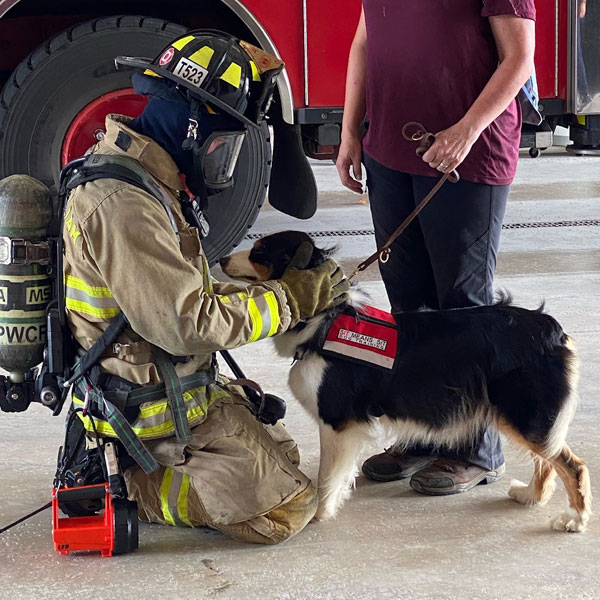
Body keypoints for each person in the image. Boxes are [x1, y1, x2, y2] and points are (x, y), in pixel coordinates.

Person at [61, 30, 348, 544]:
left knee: (285, 455)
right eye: (226, 137)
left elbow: (197, 293)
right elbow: (188, 322)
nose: (226, 154)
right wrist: (290, 300)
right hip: (148, 413)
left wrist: (277, 290)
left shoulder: (151, 181)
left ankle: (188, 460)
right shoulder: (125, 206)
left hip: (173, 387)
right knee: (285, 510)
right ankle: (134, 480)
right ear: (192, 122)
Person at [336, 2, 536, 495]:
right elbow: (365, 42)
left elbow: (519, 59)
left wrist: (467, 130)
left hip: (466, 157)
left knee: (463, 306)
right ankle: (424, 433)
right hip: (389, 149)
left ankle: (476, 449)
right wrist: (349, 131)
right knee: (408, 306)